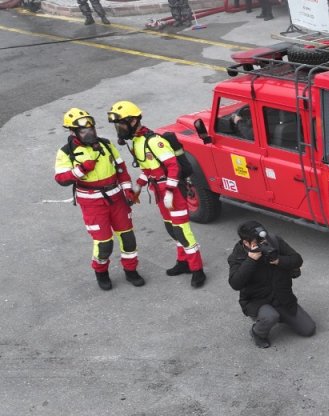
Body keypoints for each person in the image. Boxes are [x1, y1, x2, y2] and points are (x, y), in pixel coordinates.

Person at [108, 101, 206, 288]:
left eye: (120, 123)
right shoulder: (137, 142)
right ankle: (183, 262)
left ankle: (197, 269)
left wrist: (170, 191)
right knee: (171, 229)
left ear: (133, 121)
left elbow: (173, 167)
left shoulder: (154, 141)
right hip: (160, 192)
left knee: (182, 232)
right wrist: (137, 187)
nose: (118, 128)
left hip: (172, 191)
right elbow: (149, 169)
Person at [53, 107, 145, 291]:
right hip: (92, 203)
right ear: (73, 132)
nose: (90, 133)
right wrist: (82, 169)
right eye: (84, 131)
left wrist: (128, 190)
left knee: (128, 238)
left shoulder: (106, 144)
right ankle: (101, 272)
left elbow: (121, 169)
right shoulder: (66, 152)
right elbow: (61, 179)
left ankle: (131, 270)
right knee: (104, 244)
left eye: (91, 129)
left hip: (116, 199)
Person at [227, 221, 315, 348]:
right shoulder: (237, 256)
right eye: (258, 242)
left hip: (282, 297)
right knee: (270, 316)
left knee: (309, 329)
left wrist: (279, 260)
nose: (263, 243)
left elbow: (297, 259)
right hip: (258, 301)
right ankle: (257, 332)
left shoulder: (273, 240)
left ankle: (283, 316)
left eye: (263, 240)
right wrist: (251, 260)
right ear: (246, 242)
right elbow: (235, 284)